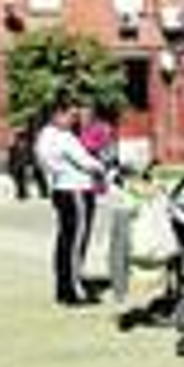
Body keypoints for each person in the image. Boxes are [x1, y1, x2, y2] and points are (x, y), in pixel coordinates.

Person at [35, 99, 108, 307]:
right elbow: (85, 162)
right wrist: (104, 167)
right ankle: (73, 290)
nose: (74, 120)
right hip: (76, 191)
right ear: (58, 114)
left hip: (62, 189)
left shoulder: (44, 135)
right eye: (71, 115)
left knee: (65, 241)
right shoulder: (63, 137)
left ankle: (64, 287)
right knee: (76, 242)